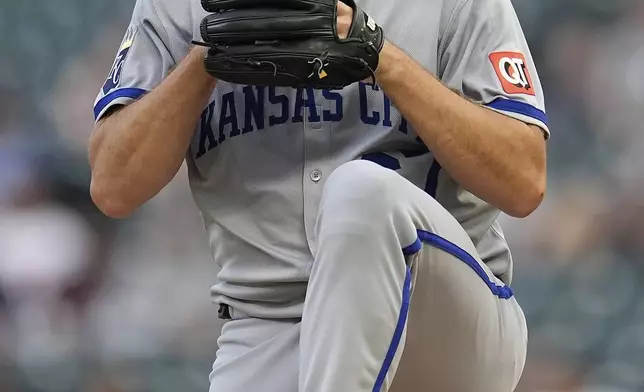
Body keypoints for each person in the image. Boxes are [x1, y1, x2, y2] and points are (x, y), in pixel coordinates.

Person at [88, 0, 548, 390]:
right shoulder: (181, 8)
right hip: (266, 327)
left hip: (442, 316)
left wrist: (381, 56)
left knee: (360, 191)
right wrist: (204, 57)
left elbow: (523, 180)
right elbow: (113, 185)